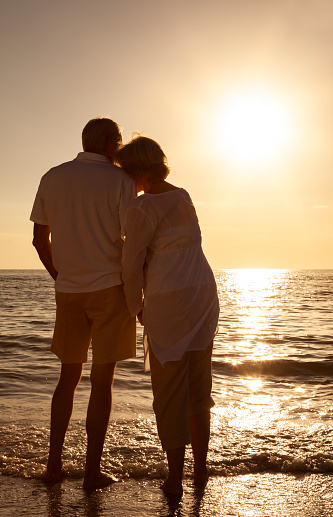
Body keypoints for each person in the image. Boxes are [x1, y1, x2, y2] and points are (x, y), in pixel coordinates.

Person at [30, 117, 136, 491]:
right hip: (110, 287)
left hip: (69, 290)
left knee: (67, 379)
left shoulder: (53, 176)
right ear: (110, 143)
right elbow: (133, 240)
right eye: (120, 142)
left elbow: (39, 239)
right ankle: (92, 472)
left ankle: (53, 464)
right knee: (102, 383)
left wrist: (59, 276)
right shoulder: (121, 181)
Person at [115, 135, 219, 496]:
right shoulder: (184, 195)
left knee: (169, 393)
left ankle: (175, 478)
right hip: (202, 293)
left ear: (136, 172)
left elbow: (131, 266)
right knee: (198, 390)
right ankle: (201, 470)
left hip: (168, 299)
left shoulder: (141, 208)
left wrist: (136, 307)